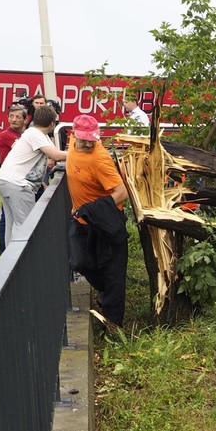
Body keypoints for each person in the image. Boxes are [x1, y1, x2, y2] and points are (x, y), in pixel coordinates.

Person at [65, 114, 130, 328]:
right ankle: (105, 292)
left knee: (113, 272)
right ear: (74, 134)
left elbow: (122, 193)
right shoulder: (73, 142)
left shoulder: (100, 159)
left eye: (91, 139)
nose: (87, 143)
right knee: (79, 262)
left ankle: (112, 324)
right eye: (83, 139)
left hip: (105, 224)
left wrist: (90, 209)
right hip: (82, 222)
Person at [0, 105, 67, 244]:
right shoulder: (35, 134)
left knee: (12, 223)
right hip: (17, 184)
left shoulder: (34, 134)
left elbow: (34, 163)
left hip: (5, 180)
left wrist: (41, 183)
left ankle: (8, 259)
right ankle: (19, 260)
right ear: (52, 123)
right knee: (24, 225)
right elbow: (56, 155)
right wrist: (81, 154)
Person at [0, 104, 28, 253]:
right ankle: (14, 252)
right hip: (12, 180)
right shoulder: (7, 134)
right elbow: (25, 150)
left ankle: (9, 252)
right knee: (17, 221)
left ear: (25, 120)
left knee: (11, 220)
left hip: (14, 178)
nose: (13, 120)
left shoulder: (23, 135)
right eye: (11, 116)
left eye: (18, 117)